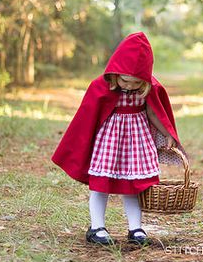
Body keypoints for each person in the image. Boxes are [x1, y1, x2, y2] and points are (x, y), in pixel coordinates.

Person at [51, 32, 187, 246]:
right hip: (109, 141)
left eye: (136, 82)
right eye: (126, 80)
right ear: (116, 73)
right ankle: (97, 226)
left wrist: (168, 133)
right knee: (100, 185)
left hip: (136, 142)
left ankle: (135, 228)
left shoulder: (146, 89)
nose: (130, 86)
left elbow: (154, 113)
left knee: (134, 185)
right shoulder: (102, 87)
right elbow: (88, 117)